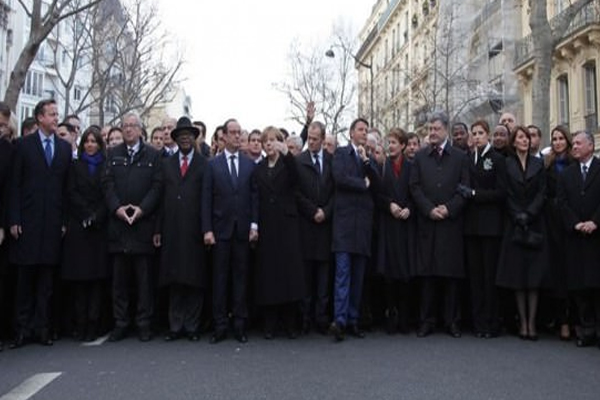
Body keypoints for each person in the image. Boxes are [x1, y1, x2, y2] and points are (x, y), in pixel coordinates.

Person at [8, 99, 72, 348]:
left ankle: (42, 328)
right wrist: (14, 218)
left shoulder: (64, 149)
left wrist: (65, 220)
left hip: (53, 225)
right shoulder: (23, 146)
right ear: (39, 118)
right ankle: (21, 330)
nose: (56, 118)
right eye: (52, 114)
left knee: (46, 282)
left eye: (57, 114)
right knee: (25, 281)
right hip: (27, 223)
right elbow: (15, 185)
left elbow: (67, 189)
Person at [102, 112, 163, 342]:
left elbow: (157, 187)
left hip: (142, 226)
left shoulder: (153, 155)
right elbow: (106, 184)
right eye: (124, 126)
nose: (128, 130)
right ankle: (121, 322)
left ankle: (144, 323)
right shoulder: (113, 154)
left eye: (132, 126)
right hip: (119, 226)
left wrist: (142, 209)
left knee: (144, 281)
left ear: (140, 129)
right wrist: (116, 207)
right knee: (119, 281)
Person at [409, 112, 470, 338]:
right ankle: (426, 321)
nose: (431, 133)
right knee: (428, 277)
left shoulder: (459, 157)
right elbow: (414, 187)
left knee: (451, 276)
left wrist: (448, 208)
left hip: (450, 224)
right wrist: (429, 209)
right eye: (429, 129)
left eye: (435, 129)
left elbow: (464, 189)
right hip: (427, 223)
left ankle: (452, 321)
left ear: (445, 130)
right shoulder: (420, 157)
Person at [202, 118, 258, 344]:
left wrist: (254, 225)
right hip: (220, 231)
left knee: (240, 279)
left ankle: (239, 324)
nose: (236, 136)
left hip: (243, 232)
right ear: (223, 136)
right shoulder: (212, 165)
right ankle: (220, 325)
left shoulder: (249, 165)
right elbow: (206, 199)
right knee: (220, 280)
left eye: (239, 132)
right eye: (232, 132)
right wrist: (207, 229)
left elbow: (254, 197)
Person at [154, 117, 207, 342]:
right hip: (172, 230)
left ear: (194, 138)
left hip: (195, 231)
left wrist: (207, 230)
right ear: (175, 139)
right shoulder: (166, 164)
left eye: (189, 134)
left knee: (194, 280)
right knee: (174, 280)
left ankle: (192, 326)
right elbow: (159, 199)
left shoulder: (204, 164)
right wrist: (157, 230)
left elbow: (207, 200)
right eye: (181, 135)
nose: (185, 138)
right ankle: (175, 326)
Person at [329, 117, 380, 342]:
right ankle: (339, 321)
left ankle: (353, 320)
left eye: (366, 130)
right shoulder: (341, 153)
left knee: (358, 278)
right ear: (351, 133)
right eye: (360, 129)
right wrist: (362, 184)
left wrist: (367, 162)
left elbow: (378, 183)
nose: (363, 133)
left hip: (363, 227)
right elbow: (340, 178)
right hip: (344, 225)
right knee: (342, 275)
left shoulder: (367, 157)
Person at [496, 126, 549, 341]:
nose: (525, 141)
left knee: (534, 277)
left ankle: (532, 323)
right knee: (518, 276)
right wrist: (517, 215)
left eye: (527, 138)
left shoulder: (539, 163)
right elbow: (505, 192)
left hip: (535, 223)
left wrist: (530, 214)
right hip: (514, 223)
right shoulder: (506, 163)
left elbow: (542, 192)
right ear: (514, 141)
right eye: (520, 137)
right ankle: (523, 323)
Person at [253, 127, 305, 339]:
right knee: (269, 277)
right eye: (266, 141)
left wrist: (287, 153)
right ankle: (270, 323)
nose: (269, 144)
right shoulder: (259, 168)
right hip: (267, 226)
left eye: (273, 140)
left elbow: (296, 178)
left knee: (288, 276)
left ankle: (291, 323)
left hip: (287, 226)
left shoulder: (288, 163)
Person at [61, 126, 108, 342]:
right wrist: (85, 215)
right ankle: (80, 324)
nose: (90, 145)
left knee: (96, 281)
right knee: (80, 281)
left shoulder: (106, 167)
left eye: (94, 141)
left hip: (99, 229)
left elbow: (107, 194)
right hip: (79, 228)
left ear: (100, 144)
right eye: (87, 141)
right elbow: (70, 193)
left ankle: (93, 323)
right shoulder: (75, 166)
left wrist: (96, 216)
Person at [460, 120, 506, 338]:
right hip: (471, 227)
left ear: (487, 135)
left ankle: (492, 322)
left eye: (480, 133)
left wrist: (476, 195)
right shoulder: (469, 159)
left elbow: (501, 192)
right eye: (474, 133)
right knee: (475, 277)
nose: (476, 137)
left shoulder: (497, 159)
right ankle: (478, 323)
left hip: (490, 226)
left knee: (489, 276)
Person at [557, 131, 600, 348]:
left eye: (578, 143)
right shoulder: (567, 174)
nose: (574, 146)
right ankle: (586, 329)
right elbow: (562, 203)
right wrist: (575, 223)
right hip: (575, 237)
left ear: (591, 146)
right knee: (580, 287)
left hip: (596, 237)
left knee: (597, 286)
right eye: (573, 143)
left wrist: (595, 222)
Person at [296, 121, 334, 335]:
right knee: (306, 277)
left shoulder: (331, 161)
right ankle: (305, 317)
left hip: (326, 226)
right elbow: (296, 193)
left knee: (323, 277)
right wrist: (313, 211)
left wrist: (325, 211)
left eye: (315, 139)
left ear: (322, 139)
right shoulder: (299, 161)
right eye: (309, 138)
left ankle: (321, 317)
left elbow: (336, 192)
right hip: (306, 225)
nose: (311, 142)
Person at [375, 128, 413, 334]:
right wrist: (389, 204)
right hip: (389, 224)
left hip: (405, 225)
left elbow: (415, 191)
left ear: (403, 146)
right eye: (389, 142)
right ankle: (391, 314)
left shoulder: (411, 166)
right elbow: (378, 194)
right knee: (389, 274)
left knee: (404, 274)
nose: (390, 146)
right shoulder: (383, 166)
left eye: (394, 143)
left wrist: (409, 208)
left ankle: (404, 317)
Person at [543, 125, 573, 341]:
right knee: (559, 275)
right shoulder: (548, 165)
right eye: (554, 138)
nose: (557, 142)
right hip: (554, 225)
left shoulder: (574, 163)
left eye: (561, 138)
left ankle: (577, 320)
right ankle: (562, 320)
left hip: (574, 225)